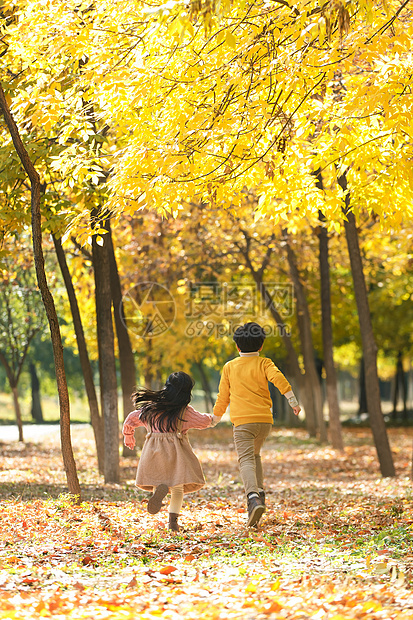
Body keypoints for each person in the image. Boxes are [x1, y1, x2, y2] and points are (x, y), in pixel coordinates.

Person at [213, 322, 301, 528]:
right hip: (264, 422)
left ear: (237, 346)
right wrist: (293, 402)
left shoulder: (230, 367)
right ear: (261, 346)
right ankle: (260, 494)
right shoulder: (265, 363)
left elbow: (223, 397)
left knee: (245, 460)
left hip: (243, 422)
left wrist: (215, 418)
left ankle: (252, 499)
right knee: (254, 456)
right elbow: (279, 379)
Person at [122, 371, 218, 532]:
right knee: (177, 488)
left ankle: (157, 493)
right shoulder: (184, 412)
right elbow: (203, 421)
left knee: (158, 480)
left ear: (167, 388)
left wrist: (128, 436)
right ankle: (173, 522)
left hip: (153, 452)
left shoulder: (150, 409)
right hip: (176, 454)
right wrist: (213, 418)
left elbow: (131, 419)